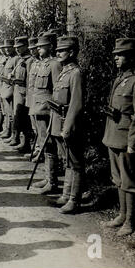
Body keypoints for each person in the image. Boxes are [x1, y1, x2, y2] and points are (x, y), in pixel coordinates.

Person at [102, 38, 135, 236]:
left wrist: (133, 143)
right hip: (113, 135)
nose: (116, 58)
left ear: (130, 57)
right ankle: (121, 215)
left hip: (126, 138)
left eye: (120, 55)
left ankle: (130, 221)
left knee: (129, 180)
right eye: (115, 55)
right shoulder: (119, 79)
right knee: (118, 178)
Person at [51, 36, 85, 214]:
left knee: (76, 163)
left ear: (71, 52)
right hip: (61, 121)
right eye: (57, 50)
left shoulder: (76, 73)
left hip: (71, 125)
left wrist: (68, 127)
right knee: (69, 162)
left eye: (61, 50)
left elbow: (76, 104)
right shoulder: (64, 72)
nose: (58, 53)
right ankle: (66, 194)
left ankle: (74, 199)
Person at [31, 33, 62, 193]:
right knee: (44, 146)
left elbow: (57, 91)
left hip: (47, 111)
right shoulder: (42, 64)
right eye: (37, 46)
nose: (38, 48)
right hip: (38, 109)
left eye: (41, 46)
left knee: (49, 146)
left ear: (50, 46)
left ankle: (53, 181)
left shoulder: (55, 64)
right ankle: (47, 178)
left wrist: (54, 113)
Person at [10, 36, 33, 152]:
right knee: (19, 119)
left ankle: (27, 144)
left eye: (20, 47)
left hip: (24, 94)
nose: (18, 50)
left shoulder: (29, 61)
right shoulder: (20, 61)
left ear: (26, 46)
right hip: (18, 92)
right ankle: (23, 142)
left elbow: (29, 80)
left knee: (25, 120)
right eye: (16, 48)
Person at [0, 39, 20, 142]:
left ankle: (14, 135)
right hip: (5, 90)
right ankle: (9, 132)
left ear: (13, 47)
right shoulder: (8, 59)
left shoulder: (16, 59)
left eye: (9, 47)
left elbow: (16, 76)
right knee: (8, 113)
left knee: (13, 115)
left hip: (11, 90)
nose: (7, 49)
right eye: (5, 47)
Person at [26, 36, 41, 157]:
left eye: (34, 48)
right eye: (30, 49)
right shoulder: (33, 63)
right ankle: (37, 148)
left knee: (41, 128)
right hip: (32, 99)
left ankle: (40, 150)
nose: (32, 51)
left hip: (40, 101)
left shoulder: (43, 63)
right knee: (34, 127)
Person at [0, 40, 8, 133]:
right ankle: (1, 127)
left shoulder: (8, 59)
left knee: (6, 111)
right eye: (1, 48)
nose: (2, 50)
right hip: (0, 86)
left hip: (7, 88)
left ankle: (7, 130)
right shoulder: (1, 58)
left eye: (3, 48)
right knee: (1, 108)